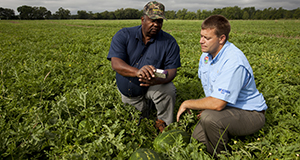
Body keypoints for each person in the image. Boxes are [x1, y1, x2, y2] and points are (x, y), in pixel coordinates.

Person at [176, 15, 268, 157]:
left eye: (207, 38)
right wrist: (208, 106)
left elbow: (218, 103)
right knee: (197, 140)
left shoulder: (233, 61)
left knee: (209, 118)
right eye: (201, 36)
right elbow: (214, 92)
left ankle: (221, 155)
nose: (201, 41)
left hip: (251, 113)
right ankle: (223, 132)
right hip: (228, 108)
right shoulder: (206, 56)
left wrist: (188, 103)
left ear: (221, 39)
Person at [107, 1, 181, 133]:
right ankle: (148, 106)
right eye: (152, 20)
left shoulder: (169, 42)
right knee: (137, 126)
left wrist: (158, 79)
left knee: (168, 89)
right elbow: (116, 64)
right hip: (130, 92)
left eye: (159, 21)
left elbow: (171, 71)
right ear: (142, 19)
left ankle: (165, 124)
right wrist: (138, 72)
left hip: (153, 84)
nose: (156, 25)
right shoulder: (124, 35)